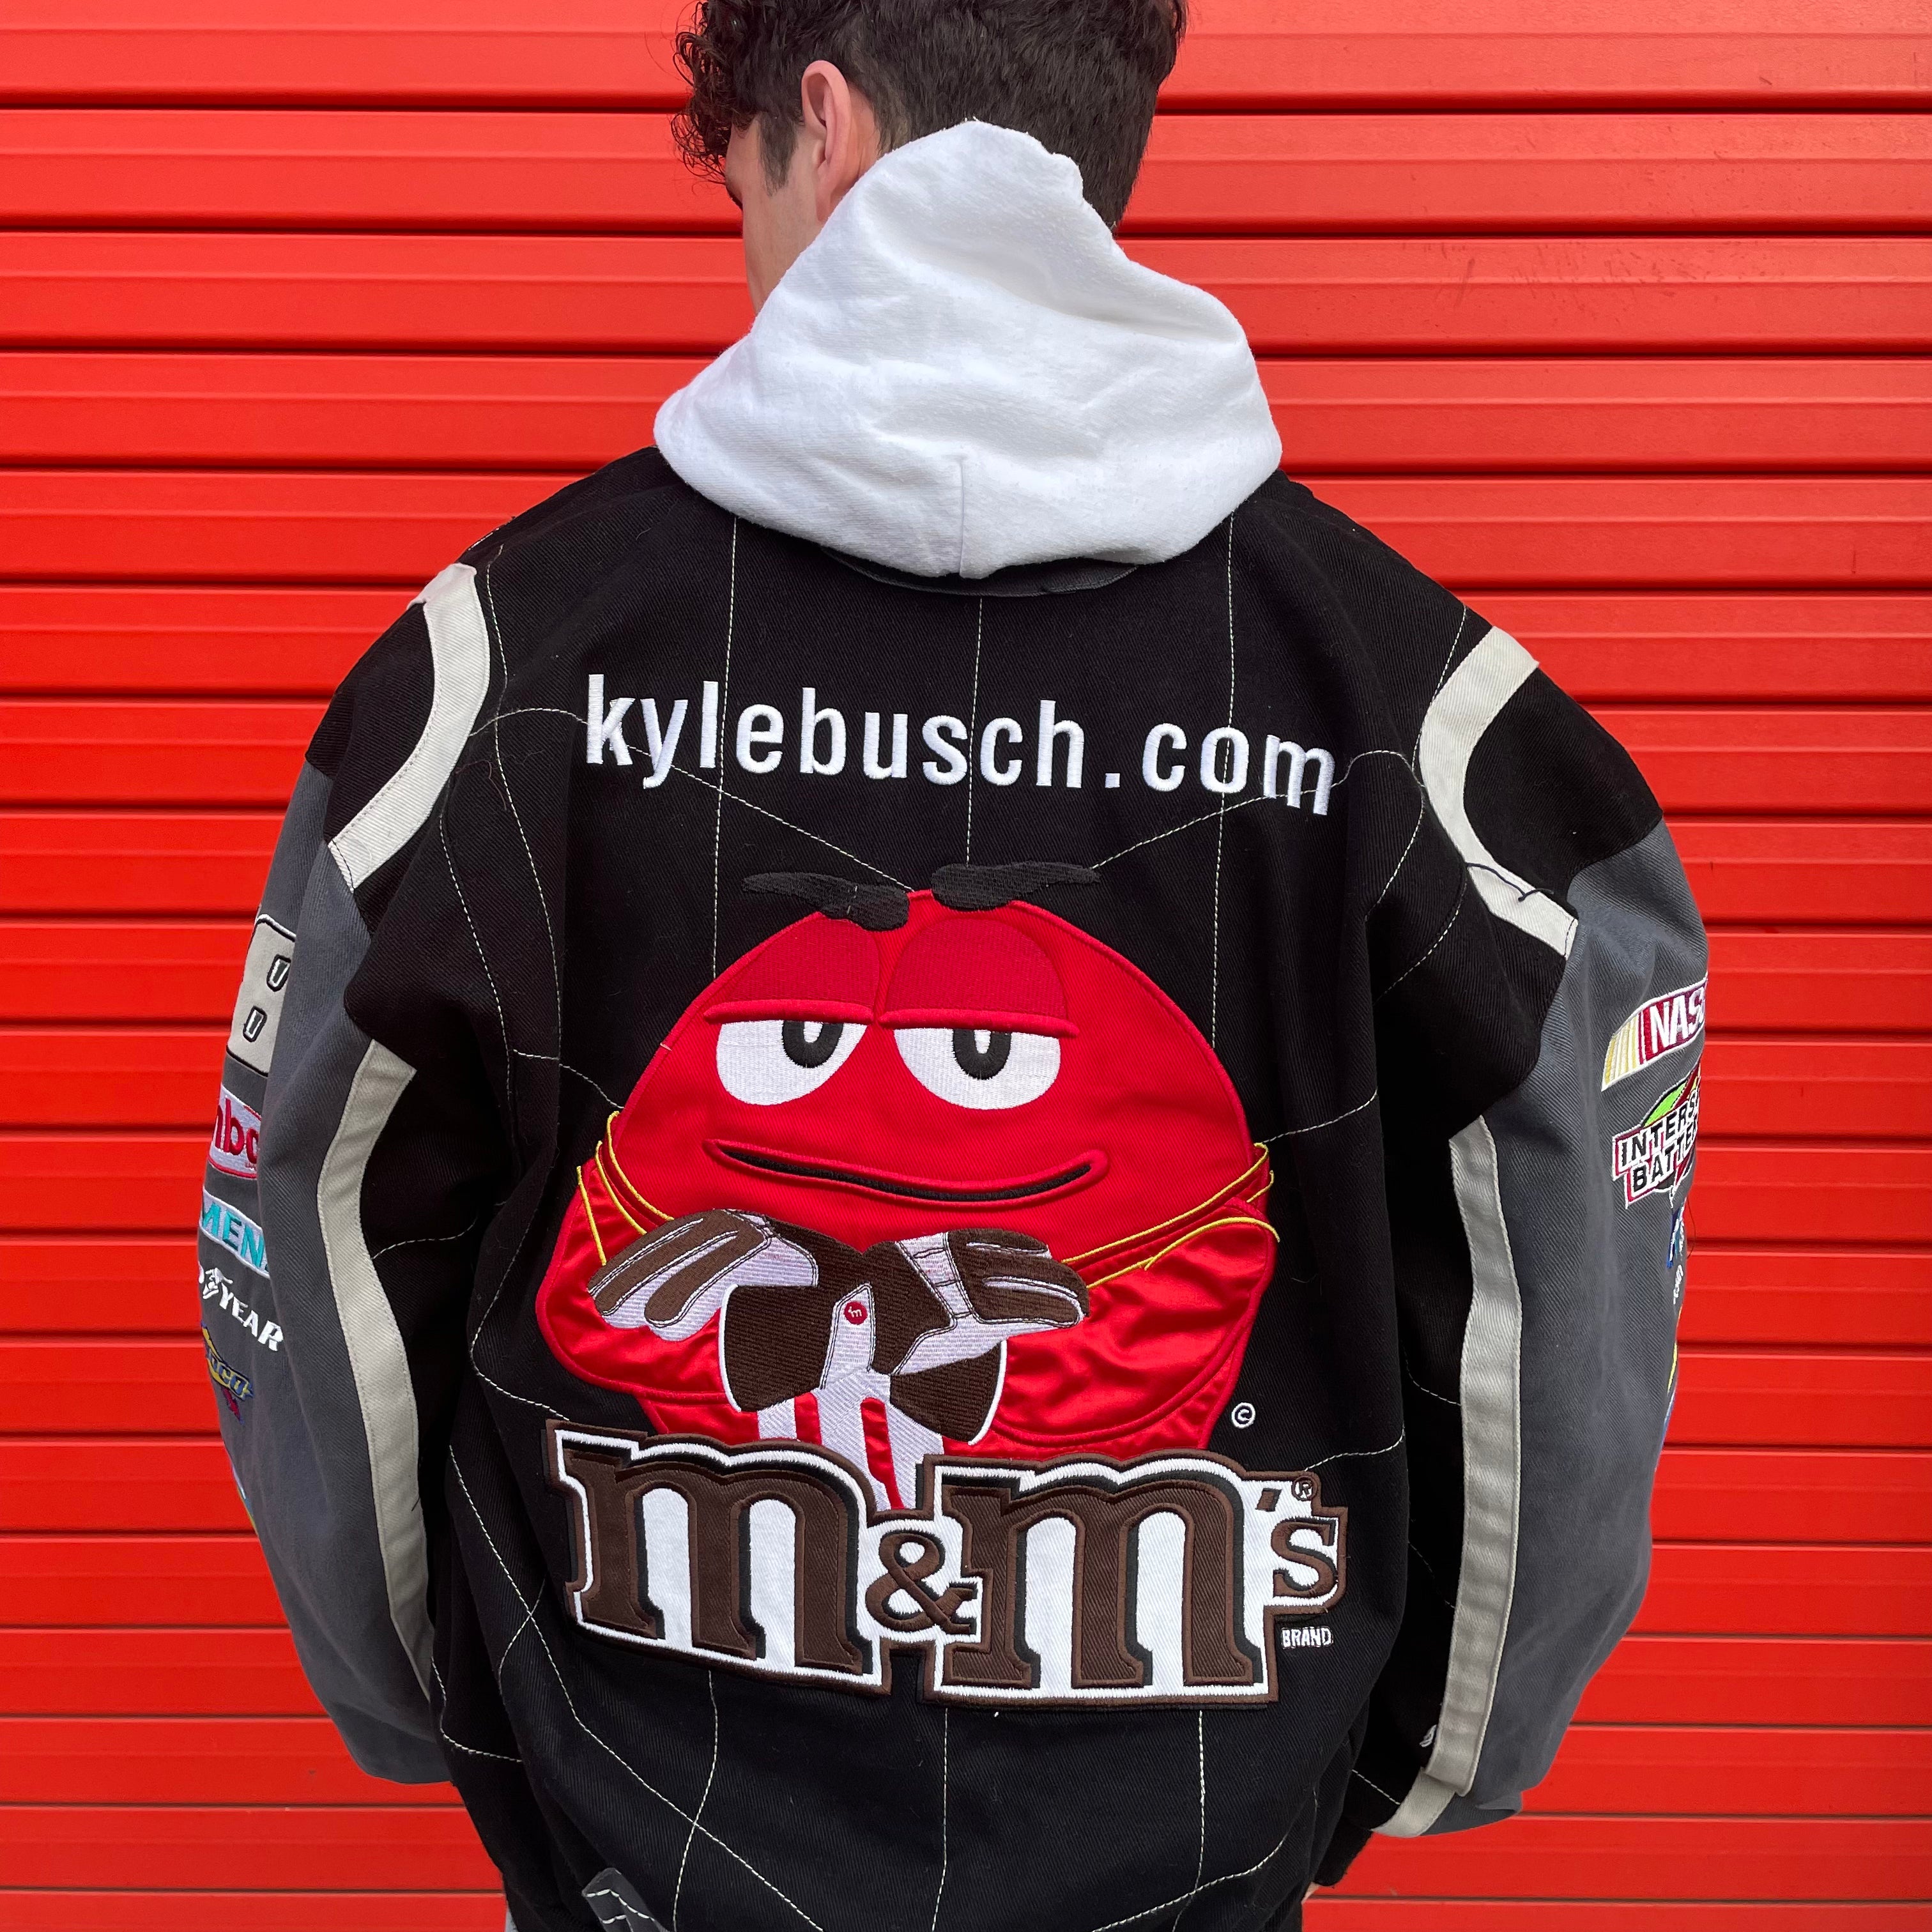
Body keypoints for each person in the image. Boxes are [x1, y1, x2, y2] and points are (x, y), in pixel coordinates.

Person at [195, 3, 1706, 1927]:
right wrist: (1449, 1745)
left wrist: (422, 1694)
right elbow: (1572, 1269)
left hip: (642, 1841)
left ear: (820, 124)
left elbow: (304, 1213)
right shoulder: (1422, 712)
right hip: (1200, 1843)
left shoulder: (505, 667)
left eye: (745, 191)